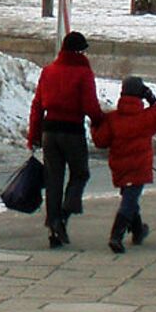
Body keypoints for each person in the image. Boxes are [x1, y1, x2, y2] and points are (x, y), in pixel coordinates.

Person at [26, 31, 107, 249]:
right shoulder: (83, 73)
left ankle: (54, 226)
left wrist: (34, 136)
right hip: (72, 131)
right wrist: (100, 120)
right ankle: (64, 214)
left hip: (49, 131)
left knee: (53, 179)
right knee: (80, 173)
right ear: (80, 51)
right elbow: (90, 106)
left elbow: (37, 106)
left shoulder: (49, 71)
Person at [91, 76, 156, 253]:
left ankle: (137, 231)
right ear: (141, 94)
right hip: (139, 167)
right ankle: (116, 236)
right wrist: (151, 98)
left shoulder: (113, 119)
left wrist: (94, 124)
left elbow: (100, 141)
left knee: (130, 198)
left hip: (120, 167)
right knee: (129, 200)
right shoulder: (146, 117)